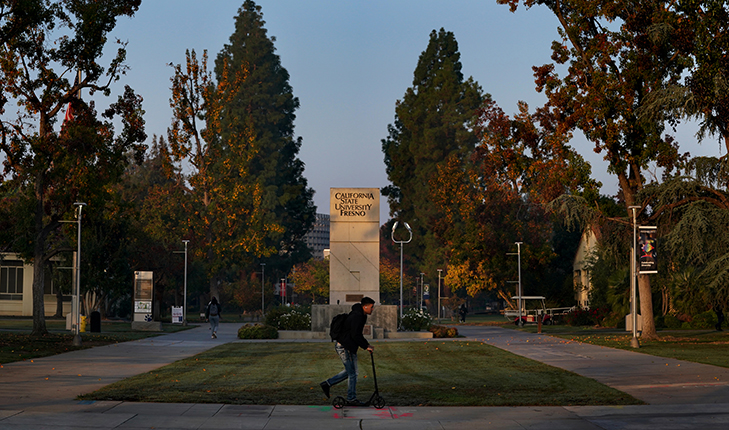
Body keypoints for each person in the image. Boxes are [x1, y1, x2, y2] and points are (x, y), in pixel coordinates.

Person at [320, 296, 375, 406]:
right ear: (365, 307)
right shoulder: (357, 316)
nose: (372, 309)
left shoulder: (361, 315)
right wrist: (366, 346)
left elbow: (357, 334)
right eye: (371, 307)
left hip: (348, 346)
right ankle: (351, 398)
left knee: (352, 372)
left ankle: (327, 383)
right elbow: (355, 334)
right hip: (345, 347)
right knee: (352, 374)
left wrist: (367, 345)